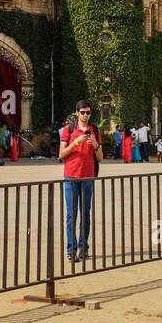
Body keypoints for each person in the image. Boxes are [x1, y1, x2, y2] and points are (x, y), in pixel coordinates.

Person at [58, 101, 102, 262]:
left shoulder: (95, 130)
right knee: (72, 215)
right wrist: (75, 143)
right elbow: (61, 154)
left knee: (85, 215)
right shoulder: (68, 130)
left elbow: (100, 158)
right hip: (71, 177)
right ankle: (71, 250)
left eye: (88, 112)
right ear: (76, 113)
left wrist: (96, 145)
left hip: (88, 177)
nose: (85, 115)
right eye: (82, 112)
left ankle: (84, 249)